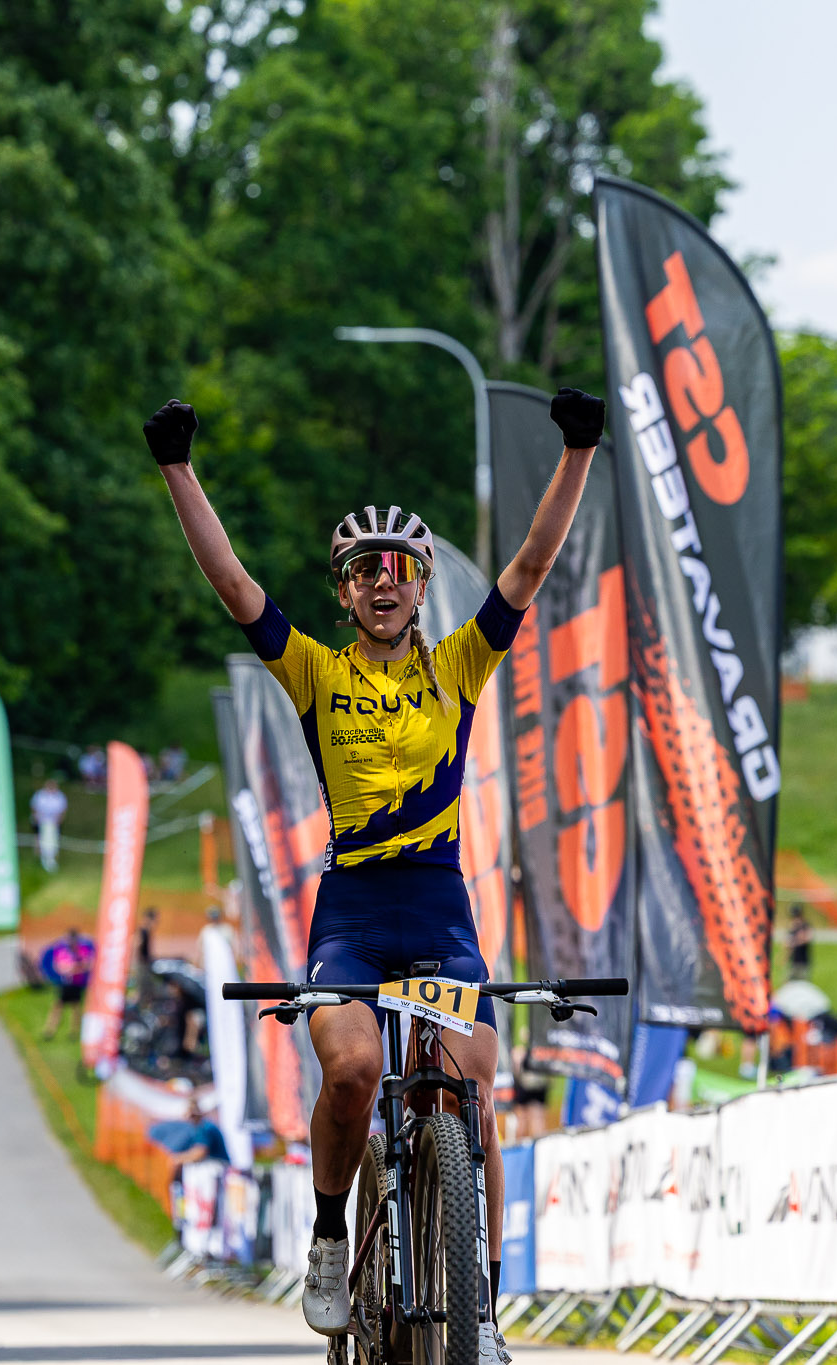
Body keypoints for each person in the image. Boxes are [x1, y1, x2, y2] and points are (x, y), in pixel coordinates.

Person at [147, 387, 601, 1362]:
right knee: (352, 1070)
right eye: (363, 569)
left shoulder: (457, 666)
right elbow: (232, 583)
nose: (381, 580)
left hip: (438, 910)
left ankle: (476, 1308)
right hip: (352, 914)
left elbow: (529, 565)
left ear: (421, 585)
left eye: (398, 567)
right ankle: (327, 1236)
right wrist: (177, 468)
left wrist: (578, 450)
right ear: (345, 593)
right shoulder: (316, 672)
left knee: (470, 1087)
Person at [40, 926, 95, 1041]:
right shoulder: (62, 950)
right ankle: (50, 1030)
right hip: (65, 983)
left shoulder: (82, 950)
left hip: (77, 983)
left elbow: (87, 965)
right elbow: (59, 966)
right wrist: (71, 968)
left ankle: (74, 1032)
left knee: (76, 1007)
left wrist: (74, 967)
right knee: (58, 1007)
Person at [30, 778, 68, 874]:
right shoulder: (40, 795)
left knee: (53, 841)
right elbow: (34, 808)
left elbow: (62, 810)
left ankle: (52, 859)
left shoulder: (60, 796)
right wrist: (37, 818)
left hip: (54, 823)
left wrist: (58, 820)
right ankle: (40, 859)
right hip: (41, 822)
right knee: (41, 840)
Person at [786, 907, 813, 980]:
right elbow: (787, 943)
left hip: (803, 961)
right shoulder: (792, 928)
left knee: (803, 982)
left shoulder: (805, 926)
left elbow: (807, 938)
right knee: (789, 981)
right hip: (793, 961)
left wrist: (795, 941)